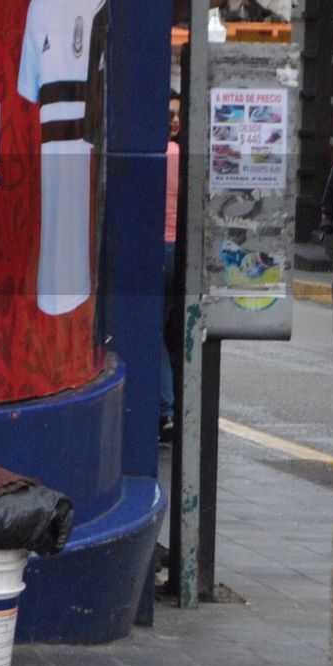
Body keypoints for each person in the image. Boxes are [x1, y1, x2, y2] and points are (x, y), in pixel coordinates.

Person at [160, 91, 180, 441]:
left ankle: (166, 407)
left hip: (160, 247)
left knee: (153, 332)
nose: (176, 119)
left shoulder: (166, 152)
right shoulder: (181, 152)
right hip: (178, 250)